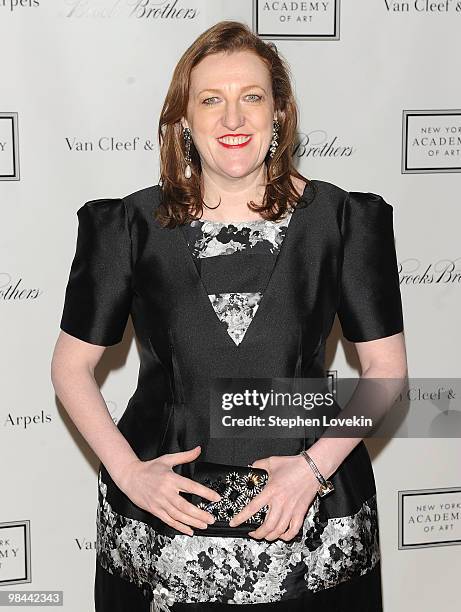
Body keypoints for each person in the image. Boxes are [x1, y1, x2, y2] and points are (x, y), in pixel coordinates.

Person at [51, 20, 407, 612]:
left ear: (280, 114)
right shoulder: (127, 227)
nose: (233, 118)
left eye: (252, 97)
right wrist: (129, 474)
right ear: (183, 120)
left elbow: (387, 370)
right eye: (211, 99)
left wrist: (313, 471)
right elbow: (70, 368)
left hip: (311, 510)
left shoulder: (344, 222)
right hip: (163, 519)